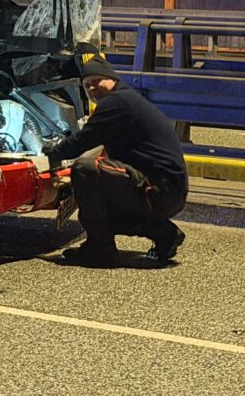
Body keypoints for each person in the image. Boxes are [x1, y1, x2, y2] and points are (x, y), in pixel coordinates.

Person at [46, 56, 188, 267]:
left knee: (85, 170)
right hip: (169, 192)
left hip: (158, 190)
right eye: (87, 85)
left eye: (97, 81)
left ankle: (99, 249)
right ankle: (164, 233)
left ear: (112, 79)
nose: (92, 88)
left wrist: (49, 154)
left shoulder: (116, 102)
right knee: (100, 204)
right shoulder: (126, 99)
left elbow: (82, 141)